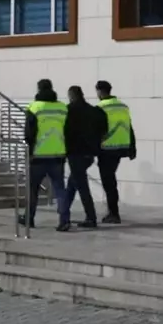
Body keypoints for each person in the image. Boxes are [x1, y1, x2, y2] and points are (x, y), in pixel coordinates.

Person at [19, 79, 71, 232]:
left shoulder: (35, 107)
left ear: (38, 89)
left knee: (33, 189)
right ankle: (64, 220)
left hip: (38, 155)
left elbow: (29, 133)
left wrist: (29, 151)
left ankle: (29, 219)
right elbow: (68, 130)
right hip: (58, 154)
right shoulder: (62, 108)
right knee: (60, 189)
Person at [63, 85, 106, 228]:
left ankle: (90, 217)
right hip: (90, 153)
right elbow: (104, 129)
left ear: (71, 96)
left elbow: (65, 131)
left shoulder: (68, 111)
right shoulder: (95, 111)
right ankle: (63, 212)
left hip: (75, 153)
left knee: (81, 186)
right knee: (73, 183)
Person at [95, 80, 135, 224]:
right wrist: (132, 148)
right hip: (121, 148)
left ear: (99, 91)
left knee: (109, 183)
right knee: (110, 181)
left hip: (106, 149)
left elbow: (97, 130)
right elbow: (129, 127)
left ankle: (113, 213)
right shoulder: (123, 106)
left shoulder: (100, 107)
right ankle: (112, 211)